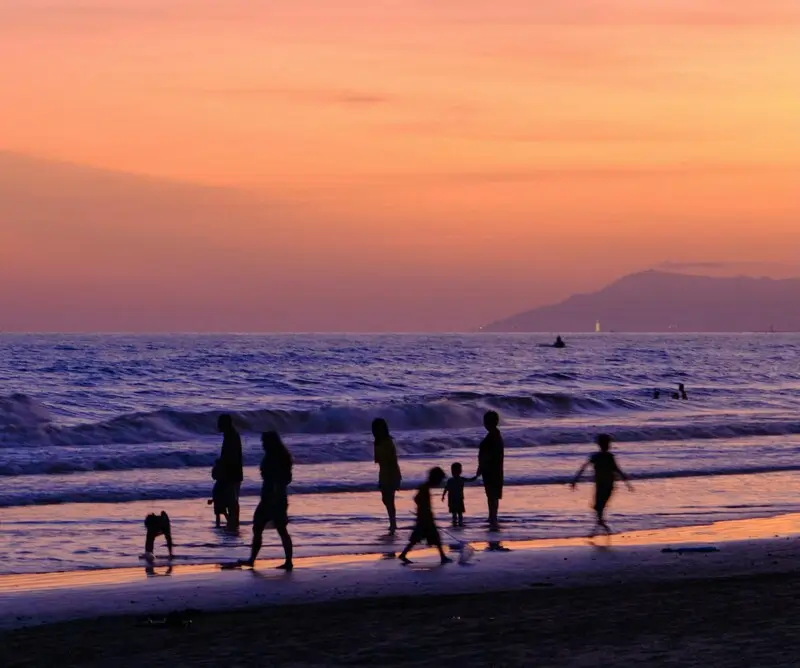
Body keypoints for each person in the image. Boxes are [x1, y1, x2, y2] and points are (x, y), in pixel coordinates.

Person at [240, 431, 294, 570]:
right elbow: (287, 479)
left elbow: (275, 480)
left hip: (271, 497)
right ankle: (287, 561)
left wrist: (273, 497)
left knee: (259, 527)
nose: (263, 445)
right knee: (279, 529)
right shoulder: (283, 457)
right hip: (278, 496)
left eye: (264, 442)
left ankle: (252, 559)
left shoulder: (273, 458)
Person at [570, 434, 633, 537]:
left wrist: (575, 480)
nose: (609, 445)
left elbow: (583, 468)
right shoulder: (605, 457)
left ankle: (600, 525)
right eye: (608, 444)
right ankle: (601, 524)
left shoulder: (601, 457)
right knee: (598, 506)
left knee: (599, 506)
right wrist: (627, 483)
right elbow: (618, 470)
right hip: (606, 484)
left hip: (605, 484)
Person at [398, 467, 452, 565]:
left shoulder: (425, 487)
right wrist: (423, 511)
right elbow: (417, 499)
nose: (440, 482)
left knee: (428, 538)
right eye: (439, 479)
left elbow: (417, 499)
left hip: (425, 517)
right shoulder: (424, 488)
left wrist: (423, 511)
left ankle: (443, 557)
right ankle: (443, 557)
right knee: (428, 538)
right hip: (424, 519)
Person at [474, 411, 504, 530]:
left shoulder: (493, 437)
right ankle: (492, 516)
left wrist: (481, 467)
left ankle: (493, 516)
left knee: (492, 494)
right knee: (492, 495)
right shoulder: (495, 436)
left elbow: (488, 455)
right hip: (494, 469)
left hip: (492, 470)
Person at [372, 418, 402, 535]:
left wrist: (393, 475)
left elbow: (392, 460)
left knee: (389, 498)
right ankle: (393, 522)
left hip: (391, 472)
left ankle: (393, 523)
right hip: (384, 472)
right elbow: (379, 461)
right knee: (386, 499)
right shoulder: (378, 442)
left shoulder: (387, 441)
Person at [217, 414, 243, 528]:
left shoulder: (231, 436)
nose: (218, 425)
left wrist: (221, 466)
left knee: (231, 501)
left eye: (220, 423)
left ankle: (233, 523)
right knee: (231, 500)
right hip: (233, 473)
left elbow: (230, 457)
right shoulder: (230, 435)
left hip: (232, 474)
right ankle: (232, 522)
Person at [442, 462, 466, 527]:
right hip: (457, 498)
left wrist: (443, 496)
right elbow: (446, 488)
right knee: (458, 512)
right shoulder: (460, 479)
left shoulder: (451, 480)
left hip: (454, 498)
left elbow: (446, 488)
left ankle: (455, 522)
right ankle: (459, 522)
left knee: (455, 512)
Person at [208, 458, 229, 527]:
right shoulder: (223, 483)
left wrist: (213, 500)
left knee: (220, 512)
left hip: (219, 496)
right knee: (222, 512)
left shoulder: (220, 484)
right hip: (220, 496)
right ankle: (229, 523)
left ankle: (219, 525)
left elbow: (217, 494)